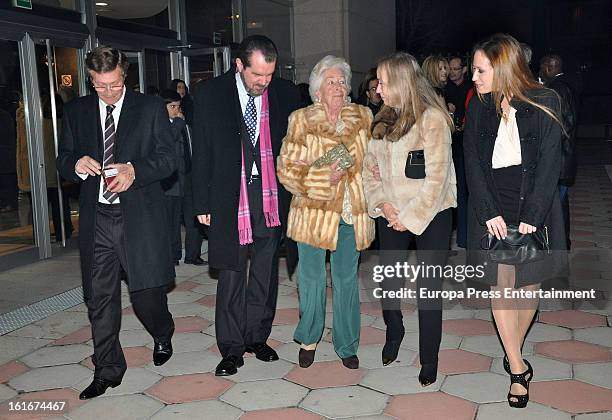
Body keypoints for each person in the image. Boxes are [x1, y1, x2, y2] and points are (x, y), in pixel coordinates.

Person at [56, 46, 176, 400]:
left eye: (114, 85)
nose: (108, 93)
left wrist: (135, 170)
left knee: (146, 296)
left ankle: (163, 330)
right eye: (99, 86)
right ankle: (107, 368)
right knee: (99, 298)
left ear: (125, 76)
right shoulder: (76, 111)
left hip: (138, 217)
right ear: (90, 80)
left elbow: (169, 159)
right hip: (98, 218)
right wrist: (75, 164)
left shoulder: (150, 108)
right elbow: (62, 157)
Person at [465, 33, 568, 408]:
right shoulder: (479, 106)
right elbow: (473, 162)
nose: (474, 77)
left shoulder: (545, 101)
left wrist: (532, 215)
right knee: (501, 287)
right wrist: (487, 210)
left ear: (503, 67)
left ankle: (513, 353)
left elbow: (551, 164)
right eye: (474, 69)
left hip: (532, 208)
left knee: (528, 290)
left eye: (480, 70)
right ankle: (517, 367)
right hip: (494, 208)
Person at [191, 35, 300, 376]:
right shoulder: (210, 93)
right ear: (239, 65)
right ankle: (231, 348)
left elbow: (295, 148)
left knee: (266, 272)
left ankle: (258, 337)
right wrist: (201, 201)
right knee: (232, 272)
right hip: (229, 197)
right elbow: (202, 153)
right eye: (257, 76)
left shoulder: (284, 93)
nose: (263, 82)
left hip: (270, 198)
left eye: (268, 75)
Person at [362, 52, 456, 386]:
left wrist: (410, 217)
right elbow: (369, 173)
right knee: (389, 282)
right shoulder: (380, 120)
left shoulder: (433, 119)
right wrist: (384, 205)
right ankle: (394, 330)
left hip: (432, 213)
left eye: (384, 82)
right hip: (391, 214)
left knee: (428, 290)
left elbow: (438, 180)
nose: (378, 89)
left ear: (402, 82)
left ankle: (429, 358)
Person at [277, 55, 374, 370]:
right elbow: (287, 169)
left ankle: (347, 344)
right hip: (314, 213)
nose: (338, 86)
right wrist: (320, 176)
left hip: (350, 213)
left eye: (342, 81)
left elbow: (370, 163)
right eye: (331, 81)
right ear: (317, 90)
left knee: (347, 280)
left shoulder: (363, 116)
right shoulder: (301, 119)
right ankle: (309, 337)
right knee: (312, 279)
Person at [159, 89, 206, 266]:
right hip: (170, 181)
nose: (177, 110)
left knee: (193, 217)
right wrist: (177, 123)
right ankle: (173, 255)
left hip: (189, 178)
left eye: (178, 106)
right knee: (171, 221)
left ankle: (192, 254)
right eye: (172, 106)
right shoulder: (163, 126)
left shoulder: (185, 124)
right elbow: (167, 143)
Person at [540, 54, 577, 249]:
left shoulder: (556, 90)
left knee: (556, 205)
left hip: (559, 158)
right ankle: (562, 243)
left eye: (541, 67)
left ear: (548, 67)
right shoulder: (565, 86)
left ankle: (559, 244)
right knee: (561, 204)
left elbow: (560, 127)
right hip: (565, 156)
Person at [445, 55, 471, 249]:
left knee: (462, 191)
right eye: (449, 68)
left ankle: (463, 237)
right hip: (448, 145)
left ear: (463, 69)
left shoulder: (471, 88)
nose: (452, 72)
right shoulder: (444, 89)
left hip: (463, 147)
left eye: (456, 69)